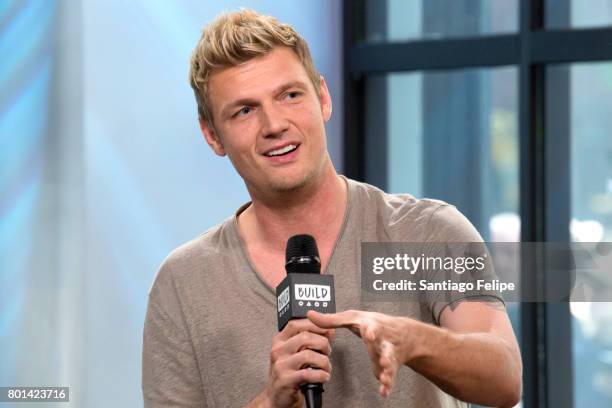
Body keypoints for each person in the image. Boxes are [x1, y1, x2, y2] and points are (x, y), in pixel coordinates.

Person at [142, 9, 522, 408]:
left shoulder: (426, 231)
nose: (275, 124)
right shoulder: (183, 283)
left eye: (290, 95)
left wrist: (413, 339)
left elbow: (505, 378)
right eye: (244, 111)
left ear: (322, 98)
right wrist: (272, 400)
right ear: (212, 135)